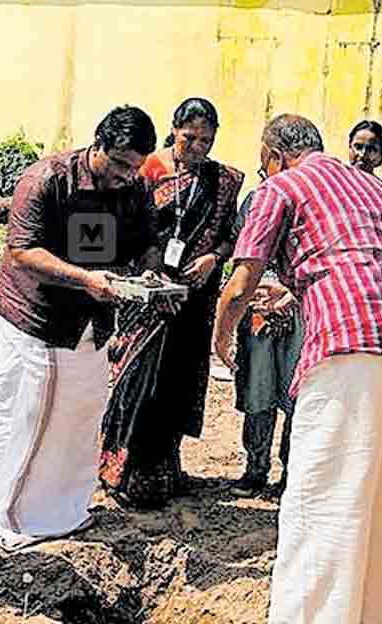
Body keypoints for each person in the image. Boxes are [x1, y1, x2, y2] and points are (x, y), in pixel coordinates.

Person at [213, 114, 382, 624]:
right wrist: (295, 292)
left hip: (347, 343)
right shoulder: (372, 186)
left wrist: (221, 336)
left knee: (322, 493)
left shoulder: (280, 188)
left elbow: (242, 279)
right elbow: (361, 260)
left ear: (271, 156)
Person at [0, 105, 161, 550]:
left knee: (79, 418)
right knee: (25, 416)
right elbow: (23, 251)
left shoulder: (132, 190)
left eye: (134, 167)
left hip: (91, 324)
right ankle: (7, 519)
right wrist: (85, 279)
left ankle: (63, 512)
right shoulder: (45, 180)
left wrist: (150, 272)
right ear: (97, 145)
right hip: (33, 321)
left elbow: (146, 241)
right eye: (118, 163)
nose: (125, 175)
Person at [99, 98, 245, 510]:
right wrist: (150, 275)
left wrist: (214, 258)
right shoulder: (145, 171)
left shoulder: (223, 180)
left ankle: (164, 469)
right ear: (174, 130)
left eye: (207, 139)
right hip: (146, 294)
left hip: (194, 297)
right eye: (190, 137)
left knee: (177, 381)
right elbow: (121, 230)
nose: (198, 147)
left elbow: (232, 234)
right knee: (135, 377)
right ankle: (120, 467)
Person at [229, 187, 302, 499]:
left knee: (297, 396)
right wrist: (257, 298)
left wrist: (290, 297)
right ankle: (255, 469)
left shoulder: (308, 199)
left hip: (299, 307)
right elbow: (241, 255)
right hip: (257, 305)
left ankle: (292, 473)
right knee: (257, 391)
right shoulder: (256, 199)